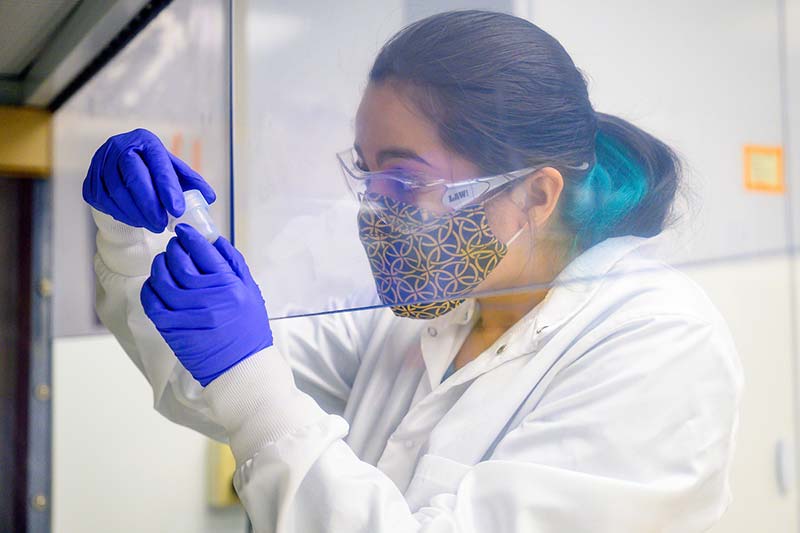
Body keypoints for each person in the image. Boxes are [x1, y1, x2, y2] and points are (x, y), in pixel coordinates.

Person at [82, 10, 742, 533]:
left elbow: (255, 389)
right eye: (367, 175)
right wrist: (136, 231)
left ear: (536, 196)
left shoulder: (658, 341)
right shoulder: (433, 315)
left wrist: (249, 375)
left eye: (403, 179)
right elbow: (206, 383)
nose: (372, 210)